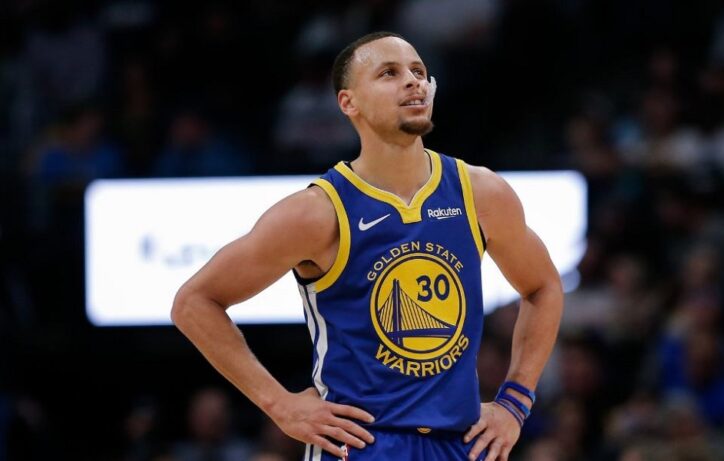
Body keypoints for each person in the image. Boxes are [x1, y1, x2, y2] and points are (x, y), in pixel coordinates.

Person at [171, 31, 563, 461]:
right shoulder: (316, 212)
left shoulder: (481, 193)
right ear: (349, 102)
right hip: (360, 445)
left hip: (459, 442)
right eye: (389, 73)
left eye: (418, 71)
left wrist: (515, 401)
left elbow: (543, 286)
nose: (413, 81)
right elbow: (193, 303)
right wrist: (279, 404)